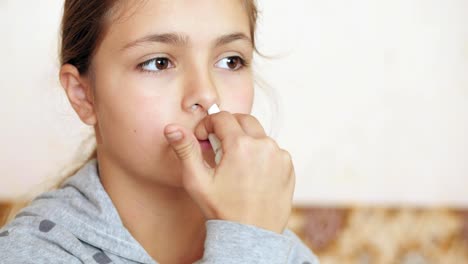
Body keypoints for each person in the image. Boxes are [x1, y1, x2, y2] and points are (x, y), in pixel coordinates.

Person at [0, 0, 319, 263]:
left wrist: (253, 240)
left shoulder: (280, 250)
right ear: (84, 96)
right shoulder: (30, 254)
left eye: (231, 61)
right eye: (158, 63)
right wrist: (249, 245)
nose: (207, 95)